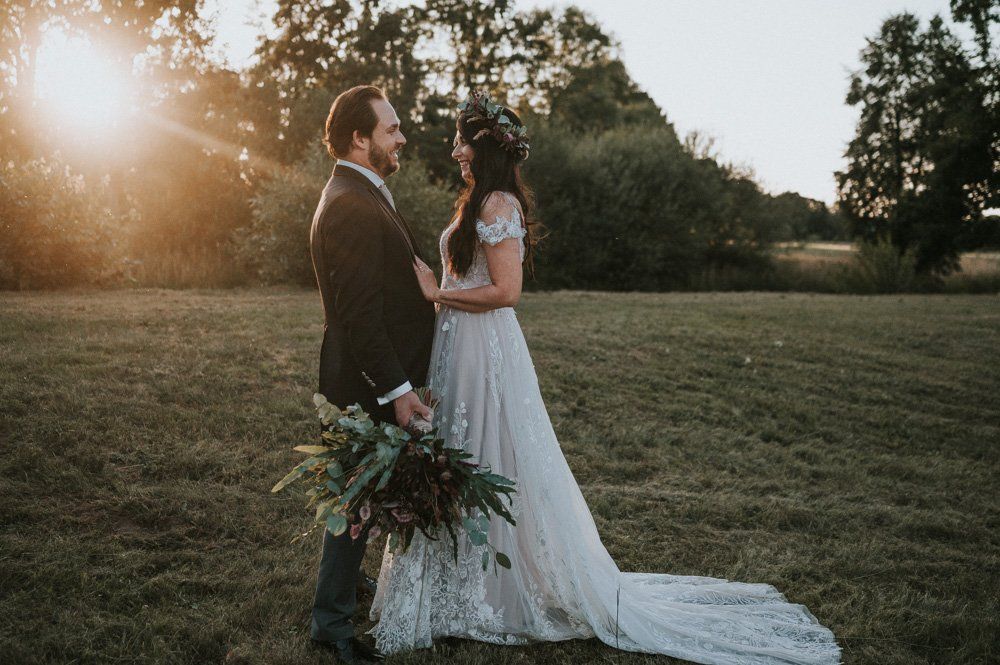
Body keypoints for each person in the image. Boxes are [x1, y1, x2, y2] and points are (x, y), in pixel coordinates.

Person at [368, 91, 843, 665]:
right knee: (458, 452)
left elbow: (507, 292)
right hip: (454, 344)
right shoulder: (475, 201)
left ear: (484, 146)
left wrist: (436, 291)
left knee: (491, 455)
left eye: (462, 139)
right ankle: (452, 587)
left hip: (484, 348)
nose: (455, 148)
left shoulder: (498, 206)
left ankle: (490, 591)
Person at [308, 85, 436, 664]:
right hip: (364, 381)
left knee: (359, 496)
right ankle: (332, 630)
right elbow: (359, 315)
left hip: (370, 376)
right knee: (354, 500)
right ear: (359, 139)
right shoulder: (351, 205)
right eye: (391, 129)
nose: (401, 137)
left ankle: (347, 594)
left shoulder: (362, 192)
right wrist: (398, 389)